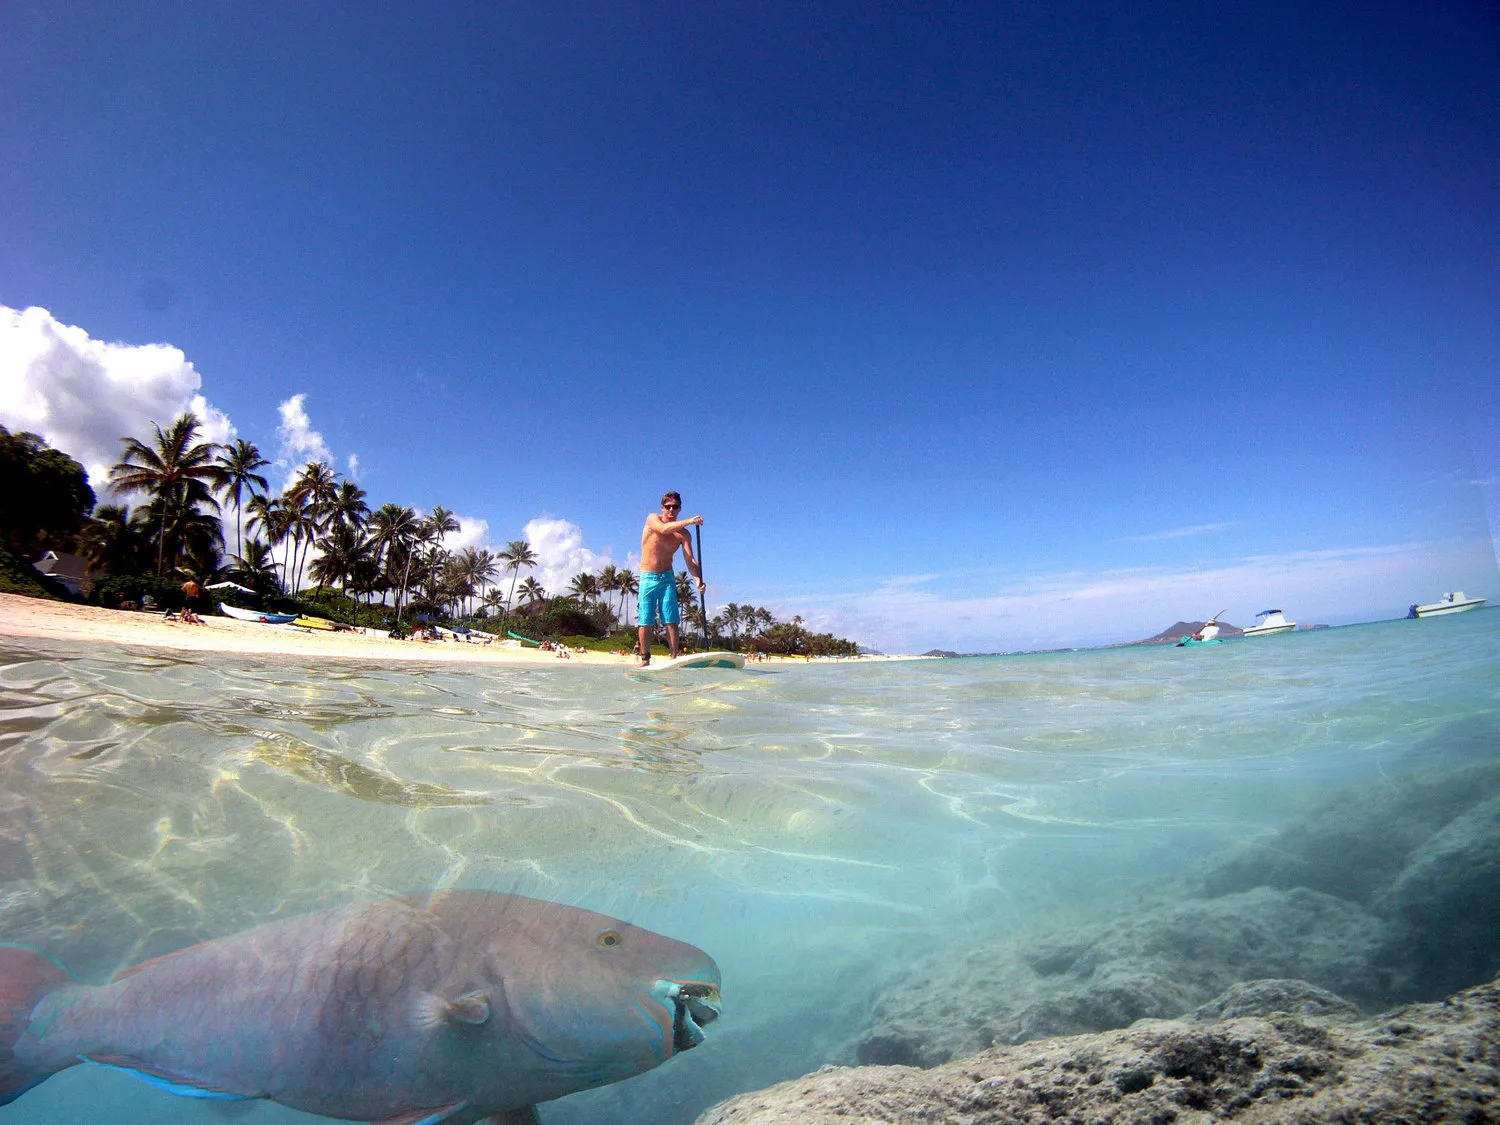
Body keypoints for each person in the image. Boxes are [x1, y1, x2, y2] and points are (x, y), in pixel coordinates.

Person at [636, 491, 704, 666]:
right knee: (646, 619)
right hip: (647, 576)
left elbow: (690, 559)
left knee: (671, 619)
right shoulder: (652, 519)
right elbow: (663, 529)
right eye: (668, 507)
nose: (671, 510)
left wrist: (697, 578)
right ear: (662, 508)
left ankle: (674, 657)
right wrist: (690, 520)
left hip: (667, 576)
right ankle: (645, 658)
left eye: (675, 507)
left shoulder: (684, 535)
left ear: (680, 508)